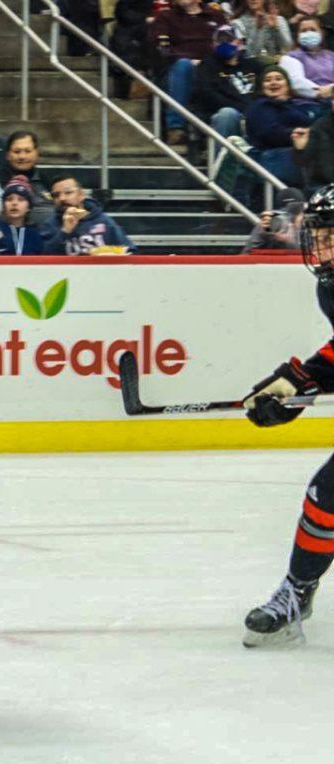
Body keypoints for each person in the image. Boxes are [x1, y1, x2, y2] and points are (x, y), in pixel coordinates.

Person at [240, 184, 334, 646]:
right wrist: (296, 383)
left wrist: (306, 382)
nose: (321, 246)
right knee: (326, 497)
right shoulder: (330, 284)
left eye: (332, 235)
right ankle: (298, 591)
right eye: (319, 234)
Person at [149, 0, 229, 146]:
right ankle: (175, 128)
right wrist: (189, 59)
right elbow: (162, 48)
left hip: (210, 68)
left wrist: (205, 62)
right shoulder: (165, 16)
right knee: (183, 66)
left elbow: (226, 44)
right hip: (176, 70)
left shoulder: (215, 16)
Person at [245, 65, 322, 185]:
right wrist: (296, 134)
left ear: (288, 85)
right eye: (268, 80)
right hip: (271, 156)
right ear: (261, 86)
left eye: (278, 78)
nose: (273, 83)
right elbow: (269, 133)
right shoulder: (259, 106)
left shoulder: (297, 107)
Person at [191, 25, 262, 139]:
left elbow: (261, 91)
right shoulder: (207, 65)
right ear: (213, 45)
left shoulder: (253, 65)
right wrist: (242, 108)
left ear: (238, 43)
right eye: (220, 41)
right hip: (220, 114)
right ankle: (222, 156)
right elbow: (209, 95)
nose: (224, 44)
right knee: (228, 113)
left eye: (228, 40)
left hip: (252, 113)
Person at [44, 173, 136, 254]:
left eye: (68, 192)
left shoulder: (103, 220)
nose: (62, 198)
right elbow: (44, 260)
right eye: (56, 195)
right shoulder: (49, 225)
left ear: (81, 195)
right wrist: (65, 231)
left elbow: (129, 250)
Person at [0, 130, 56, 227]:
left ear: (36, 154)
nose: (22, 156)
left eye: (27, 151)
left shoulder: (47, 181)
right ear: (7, 155)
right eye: (17, 152)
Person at [0, 176, 47, 255]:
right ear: (3, 205)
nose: (14, 203)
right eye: (9, 199)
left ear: (28, 207)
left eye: (21, 199)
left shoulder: (36, 233)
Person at [279, 15, 334, 99]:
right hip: (308, 103)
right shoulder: (290, 57)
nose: (309, 33)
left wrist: (331, 90)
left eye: (313, 30)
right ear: (297, 35)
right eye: (304, 31)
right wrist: (321, 92)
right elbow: (296, 83)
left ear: (322, 33)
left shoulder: (331, 56)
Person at [239, 186, 304, 251]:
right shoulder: (272, 220)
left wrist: (291, 241)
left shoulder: (303, 226)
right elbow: (247, 253)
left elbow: (308, 256)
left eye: (295, 212)